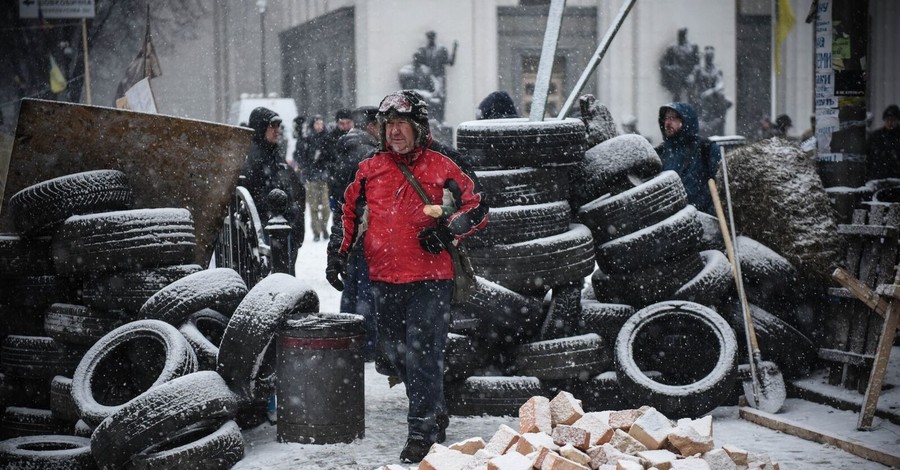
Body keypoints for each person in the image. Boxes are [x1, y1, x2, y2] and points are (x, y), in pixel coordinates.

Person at [326, 90, 488, 463]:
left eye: (401, 125)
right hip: (384, 278)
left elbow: (478, 204)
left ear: (418, 127)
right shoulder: (369, 167)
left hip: (432, 279)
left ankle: (422, 430)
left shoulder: (444, 161)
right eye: (388, 126)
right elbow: (349, 212)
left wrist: (447, 230)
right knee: (393, 355)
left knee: (422, 355)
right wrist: (338, 256)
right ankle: (433, 409)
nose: (394, 133)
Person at [328, 105, 380, 359]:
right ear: (371, 126)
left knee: (352, 288)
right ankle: (366, 344)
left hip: (351, 227)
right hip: (365, 228)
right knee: (366, 290)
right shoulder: (367, 154)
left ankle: (349, 340)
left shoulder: (345, 148)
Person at [239, 107, 306, 267]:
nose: (277, 131)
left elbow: (295, 189)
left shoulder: (274, 154)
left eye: (278, 126)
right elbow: (254, 198)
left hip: (283, 232)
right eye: (272, 126)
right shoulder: (254, 159)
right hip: (270, 234)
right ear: (261, 128)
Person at [656, 102, 722, 215]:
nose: (667, 123)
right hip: (667, 222)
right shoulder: (660, 153)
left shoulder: (706, 149)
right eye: (665, 118)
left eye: (673, 118)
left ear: (686, 121)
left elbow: (722, 188)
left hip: (702, 220)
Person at [299, 115, 333, 242]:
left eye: (321, 123)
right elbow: (303, 157)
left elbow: (331, 155)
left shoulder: (327, 138)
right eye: (317, 123)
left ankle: (323, 228)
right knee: (313, 207)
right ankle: (317, 231)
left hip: (324, 177)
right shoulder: (308, 139)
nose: (319, 126)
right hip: (312, 177)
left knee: (326, 207)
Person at [659, 28, 700, 101]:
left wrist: (692, 75)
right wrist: (671, 70)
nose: (681, 36)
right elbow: (663, 62)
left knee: (691, 96)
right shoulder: (672, 47)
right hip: (677, 75)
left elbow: (697, 64)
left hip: (688, 74)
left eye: (682, 34)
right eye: (680, 34)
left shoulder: (692, 47)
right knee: (676, 96)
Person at [327, 109, 355, 211]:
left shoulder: (358, 137)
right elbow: (328, 160)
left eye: (348, 123)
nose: (345, 126)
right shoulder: (331, 138)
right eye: (342, 123)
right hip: (337, 184)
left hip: (354, 182)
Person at [866, 104, 900, 180]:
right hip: (878, 177)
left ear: (898, 120)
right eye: (888, 120)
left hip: (896, 178)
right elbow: (868, 157)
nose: (890, 123)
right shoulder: (875, 136)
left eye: (893, 120)